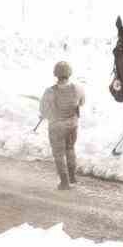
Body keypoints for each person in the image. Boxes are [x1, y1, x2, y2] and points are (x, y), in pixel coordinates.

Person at [39, 61, 85, 190]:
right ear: (69, 73)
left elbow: (43, 109)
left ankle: (64, 182)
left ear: (56, 74)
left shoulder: (50, 91)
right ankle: (72, 176)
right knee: (70, 149)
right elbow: (81, 103)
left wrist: (46, 115)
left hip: (56, 127)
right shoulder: (78, 88)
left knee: (58, 154)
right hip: (72, 125)